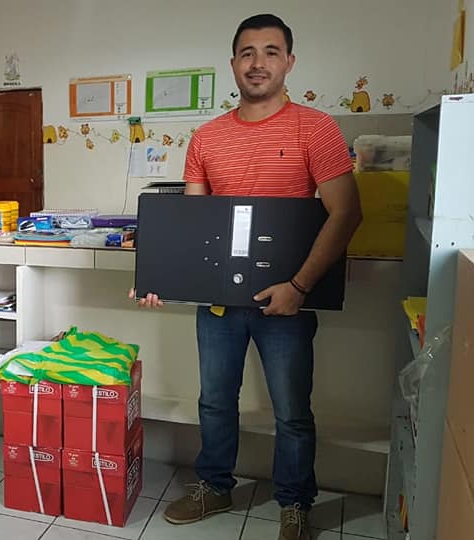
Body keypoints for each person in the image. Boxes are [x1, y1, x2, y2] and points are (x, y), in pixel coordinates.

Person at [130, 14, 362, 540]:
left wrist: (298, 287)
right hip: (218, 303)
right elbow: (192, 225)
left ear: (289, 62)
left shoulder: (316, 128)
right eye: (248, 53)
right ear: (233, 63)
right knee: (214, 401)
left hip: (288, 301)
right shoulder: (207, 137)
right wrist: (159, 276)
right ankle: (214, 487)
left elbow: (347, 213)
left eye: (271, 52)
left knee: (291, 411)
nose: (258, 63)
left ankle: (295, 504)